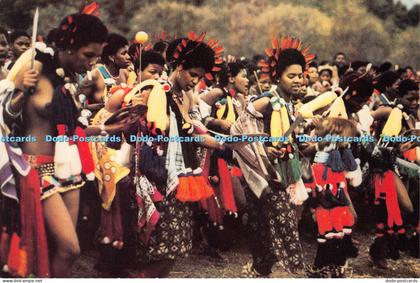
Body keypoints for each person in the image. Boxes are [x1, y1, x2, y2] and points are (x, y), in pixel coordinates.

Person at [3, 13, 131, 277]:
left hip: (68, 173)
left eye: (96, 56)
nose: (93, 63)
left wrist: (113, 127)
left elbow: (76, 130)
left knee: (60, 251)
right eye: (88, 55)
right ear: (68, 47)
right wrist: (16, 91)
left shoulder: (69, 80)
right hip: (36, 172)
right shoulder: (33, 69)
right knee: (69, 249)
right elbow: (5, 119)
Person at [232, 36, 316, 277]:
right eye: (292, 76)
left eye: (300, 75)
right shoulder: (267, 100)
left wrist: (308, 144)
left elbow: (289, 140)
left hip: (281, 174)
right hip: (263, 176)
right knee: (279, 228)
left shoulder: (290, 105)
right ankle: (291, 272)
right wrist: (262, 150)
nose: (298, 80)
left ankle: (262, 271)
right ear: (278, 76)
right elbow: (238, 131)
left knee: (267, 230)